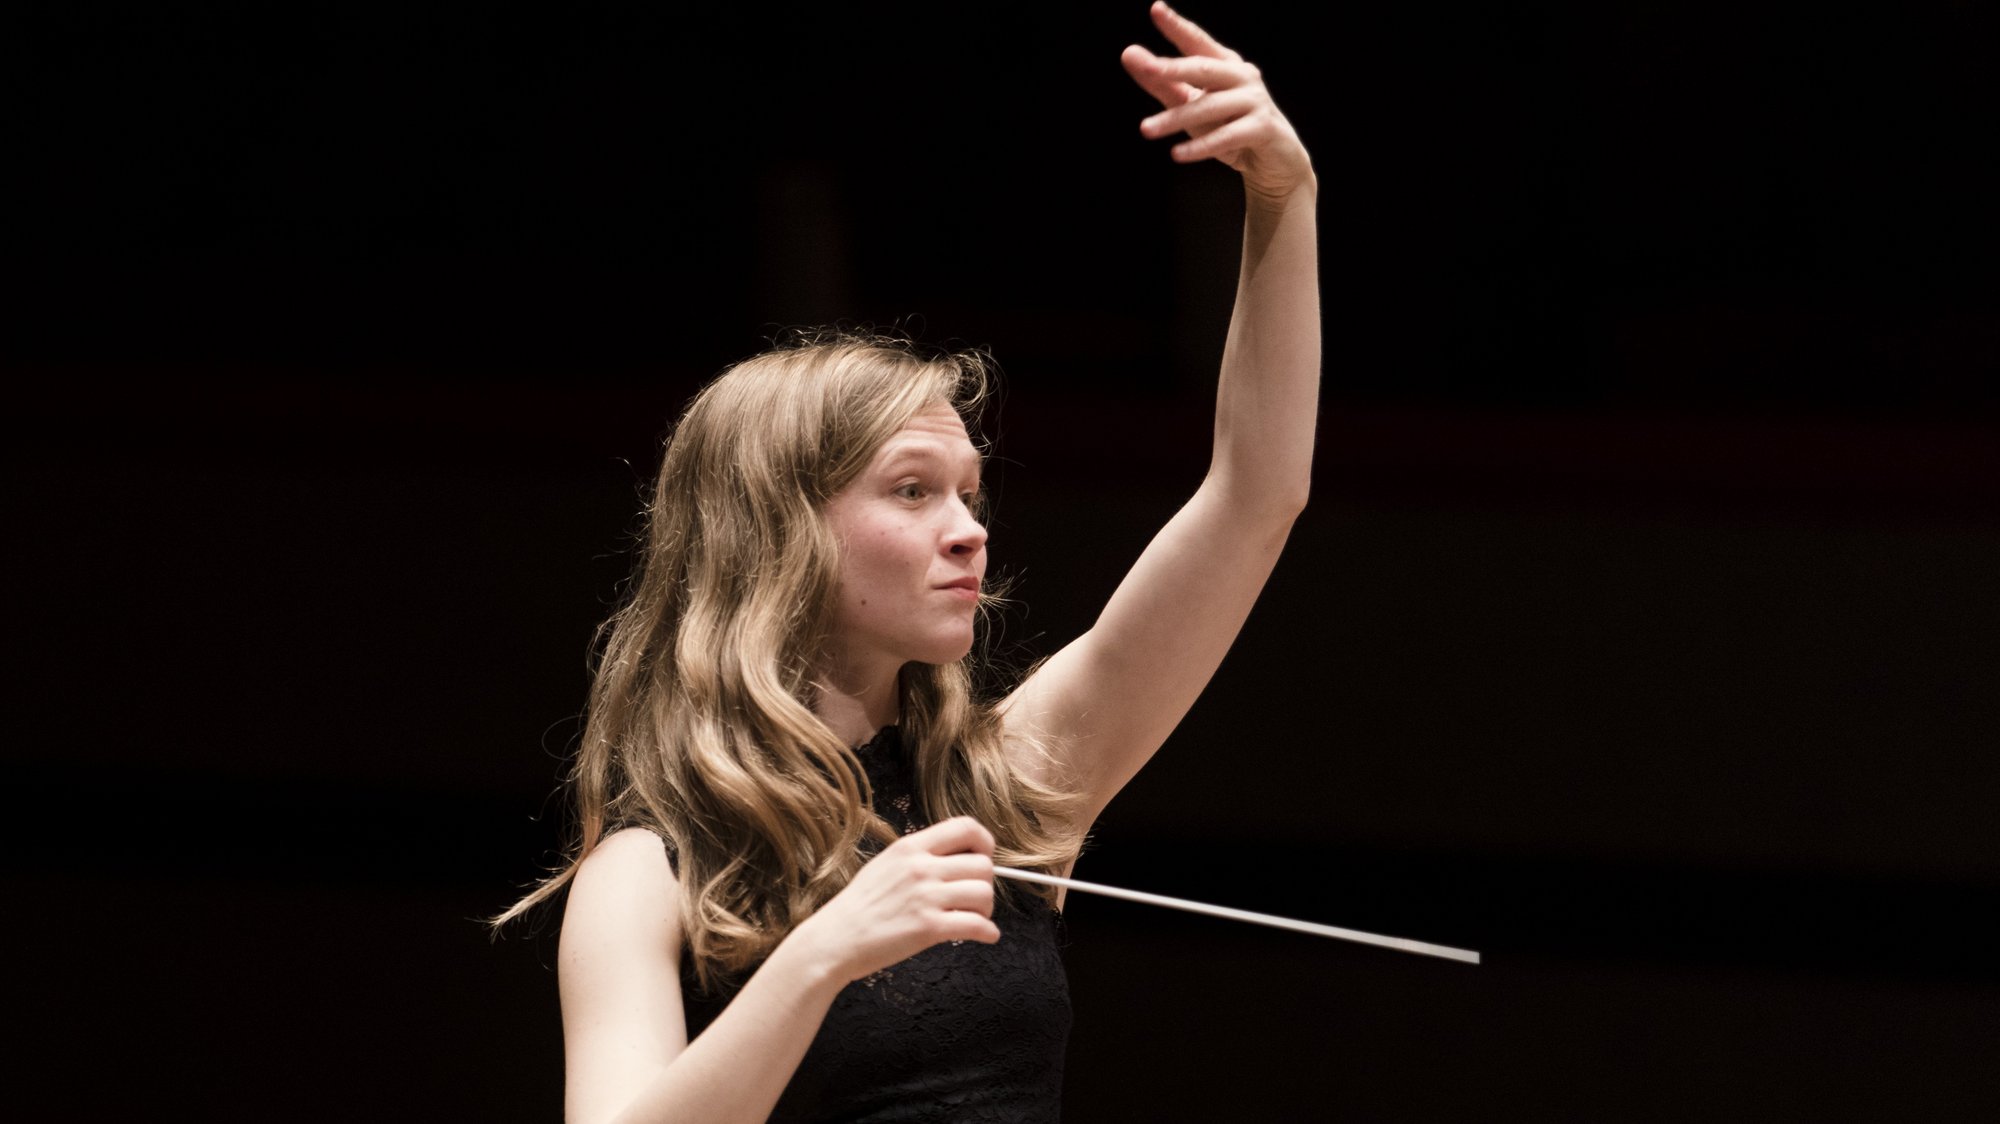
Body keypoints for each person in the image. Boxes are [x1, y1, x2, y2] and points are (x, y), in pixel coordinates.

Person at [496, 4, 1318, 1120]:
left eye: (969, 494)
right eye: (912, 491)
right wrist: (818, 954)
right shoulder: (650, 870)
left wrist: (1282, 199)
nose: (969, 529)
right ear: (778, 533)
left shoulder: (1006, 789)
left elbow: (1254, 496)